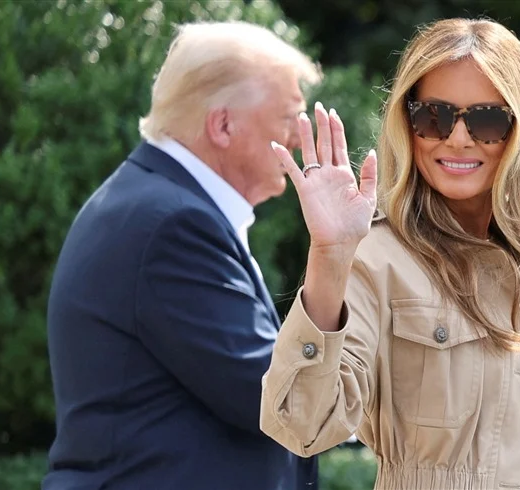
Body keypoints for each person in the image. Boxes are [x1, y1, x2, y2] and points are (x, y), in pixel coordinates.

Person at [260, 18, 520, 490]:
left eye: (487, 120)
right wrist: (329, 255)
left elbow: (518, 463)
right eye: (435, 116)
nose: (458, 138)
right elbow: (300, 427)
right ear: (407, 124)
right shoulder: (377, 256)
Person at [43, 21, 320, 490]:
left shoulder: (158, 205)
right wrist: (334, 254)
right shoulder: (173, 225)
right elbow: (277, 398)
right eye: (289, 118)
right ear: (223, 125)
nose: (298, 136)